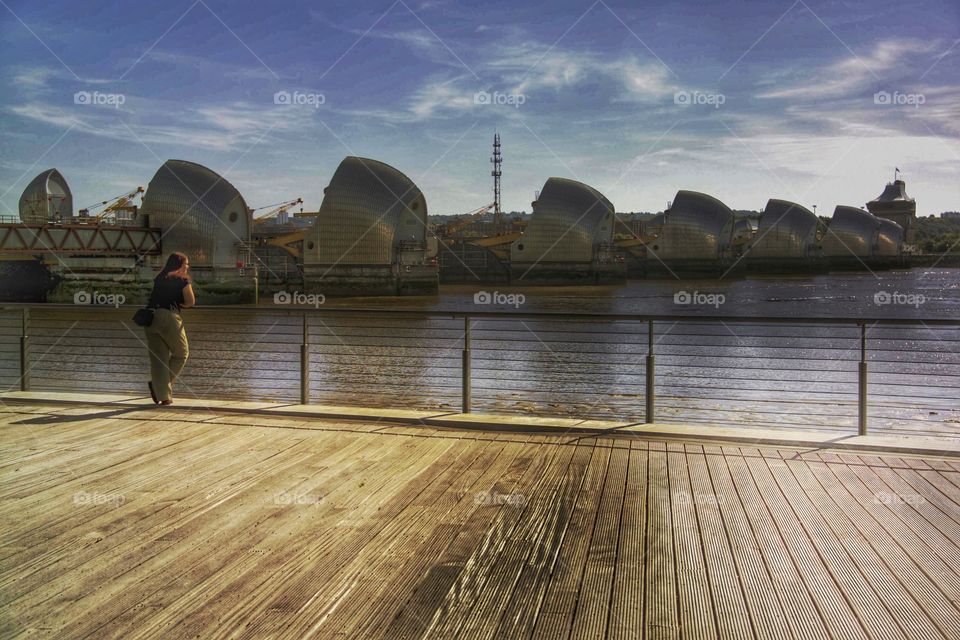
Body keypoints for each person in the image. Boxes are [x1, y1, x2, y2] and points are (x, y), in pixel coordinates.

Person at [144, 252, 195, 405]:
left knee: (159, 359)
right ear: (180, 265)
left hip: (150, 317)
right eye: (186, 264)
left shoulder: (159, 277)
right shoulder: (182, 279)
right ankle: (159, 387)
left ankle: (163, 396)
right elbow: (190, 301)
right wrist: (182, 305)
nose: (188, 267)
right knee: (181, 354)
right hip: (169, 317)